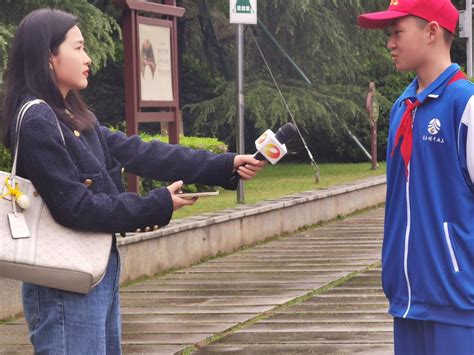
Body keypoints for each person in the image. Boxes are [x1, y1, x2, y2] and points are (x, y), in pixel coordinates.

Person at [1, 8, 265, 354]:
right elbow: (76, 207)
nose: (88, 58)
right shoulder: (38, 119)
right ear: (48, 56)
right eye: (78, 48)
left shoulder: (71, 115)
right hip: (65, 279)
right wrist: (156, 205)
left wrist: (225, 164)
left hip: (95, 268)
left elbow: (140, 152)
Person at [358, 0, 474, 354]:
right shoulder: (402, 107)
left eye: (397, 32)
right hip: (407, 301)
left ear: (432, 31)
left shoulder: (464, 105)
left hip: (457, 305)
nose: (390, 43)